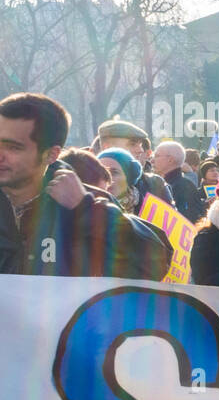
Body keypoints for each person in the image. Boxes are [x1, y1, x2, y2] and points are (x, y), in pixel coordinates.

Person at [0, 92, 171, 279]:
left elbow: (155, 264)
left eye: (13, 147)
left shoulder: (87, 202)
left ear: (51, 154)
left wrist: (85, 209)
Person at [96, 116, 174, 206]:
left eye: (140, 145)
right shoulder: (85, 186)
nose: (140, 150)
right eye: (132, 144)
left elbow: (172, 219)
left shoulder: (153, 185)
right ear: (108, 148)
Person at [153, 140, 207, 223]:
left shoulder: (184, 187)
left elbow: (186, 221)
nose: (152, 160)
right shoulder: (159, 183)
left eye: (156, 156)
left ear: (170, 160)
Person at [97, 148, 148, 215]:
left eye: (114, 172)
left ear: (129, 177)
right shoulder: (86, 210)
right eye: (100, 172)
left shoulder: (150, 211)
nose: (106, 178)